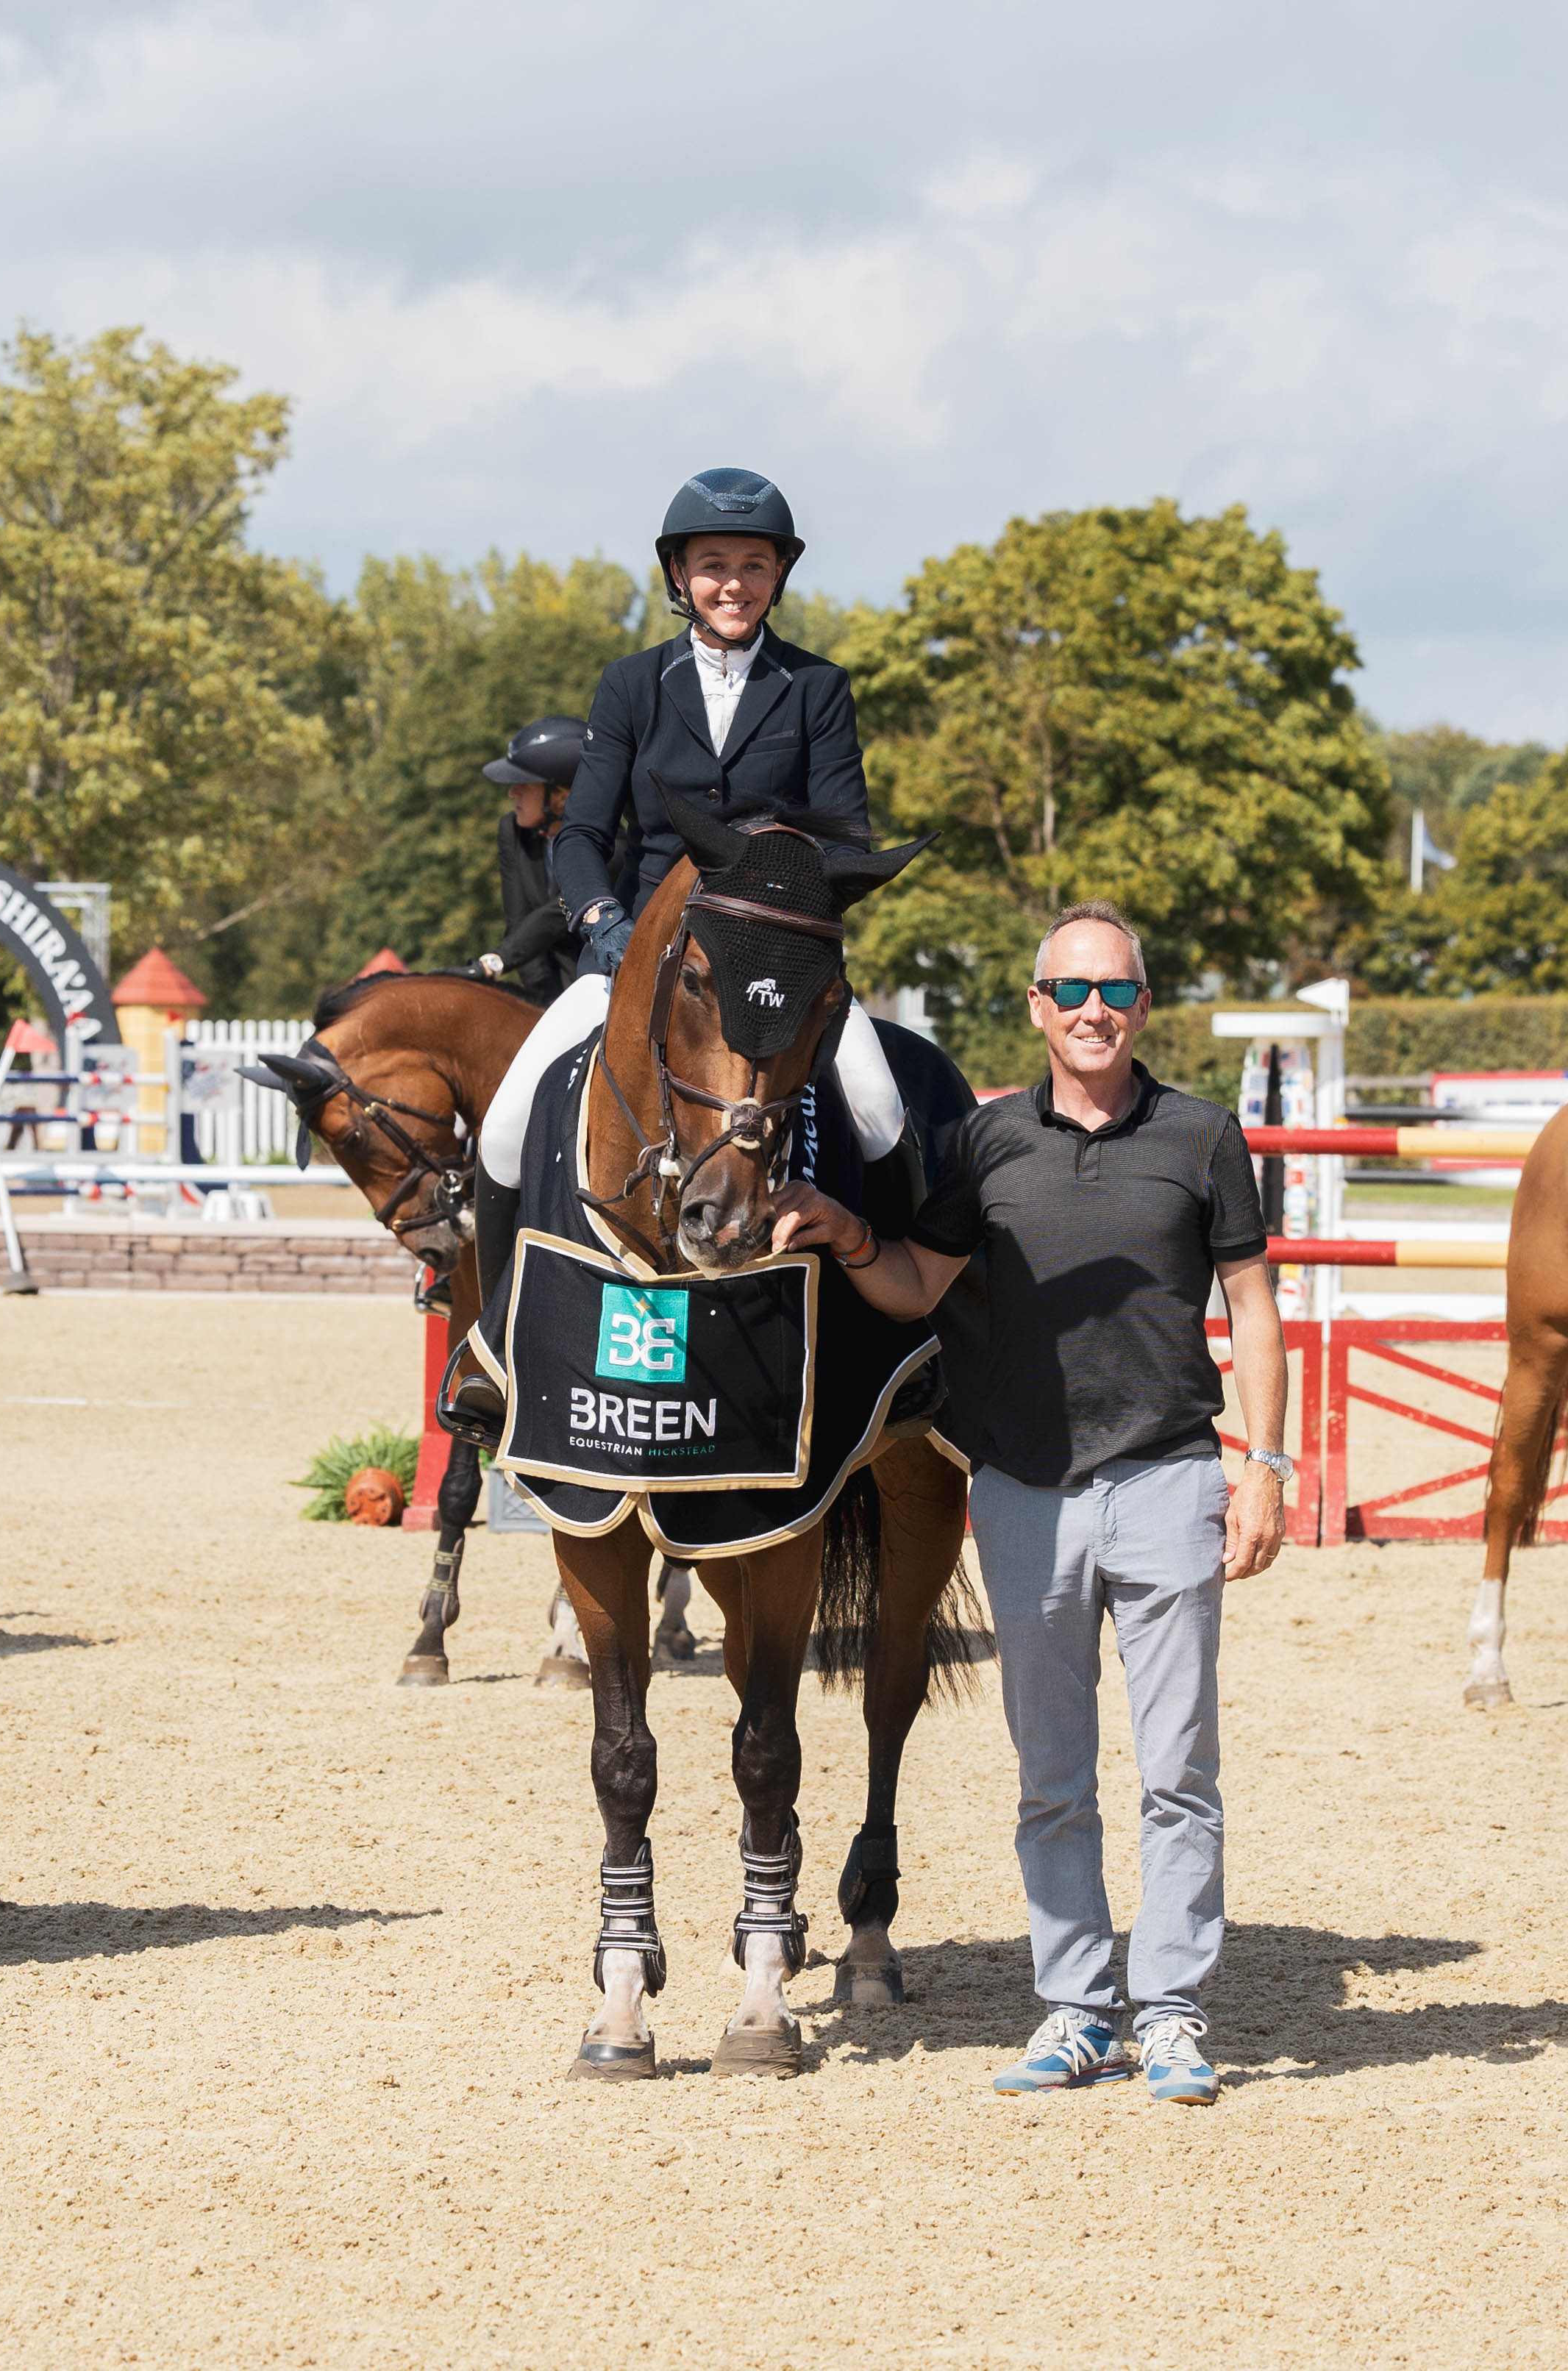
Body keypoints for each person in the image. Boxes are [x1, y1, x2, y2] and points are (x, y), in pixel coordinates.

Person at [766, 901, 1290, 2106]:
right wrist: (848, 1230)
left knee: (1179, 1772)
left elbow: (1253, 1306)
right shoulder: (985, 1145)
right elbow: (913, 1286)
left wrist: (1266, 1461)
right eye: (1073, 989)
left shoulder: (1205, 1136)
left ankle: (1168, 2011)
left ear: (1144, 1004)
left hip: (1169, 1478)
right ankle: (1074, 2009)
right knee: (1051, 1773)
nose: (1095, 1008)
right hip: (1022, 1498)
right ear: (1037, 1006)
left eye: (1117, 989)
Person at [458, 470, 910, 1372]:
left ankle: (900, 1345)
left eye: (753, 564)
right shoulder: (631, 685)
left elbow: (845, 832)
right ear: (679, 576)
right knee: (508, 1121)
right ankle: (496, 1348)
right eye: (713, 565)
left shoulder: (817, 687)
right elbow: (584, 831)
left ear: (778, 575)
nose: (733, 583)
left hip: (776, 953)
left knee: (880, 1105)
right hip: (642, 950)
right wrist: (601, 919)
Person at [472, 714, 584, 1003]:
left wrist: (495, 961)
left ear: (561, 797)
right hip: (543, 988)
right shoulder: (511, 832)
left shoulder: (612, 847)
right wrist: (542, 1003)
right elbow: (518, 921)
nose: (512, 793)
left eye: (523, 785)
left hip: (595, 985)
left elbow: (553, 917)